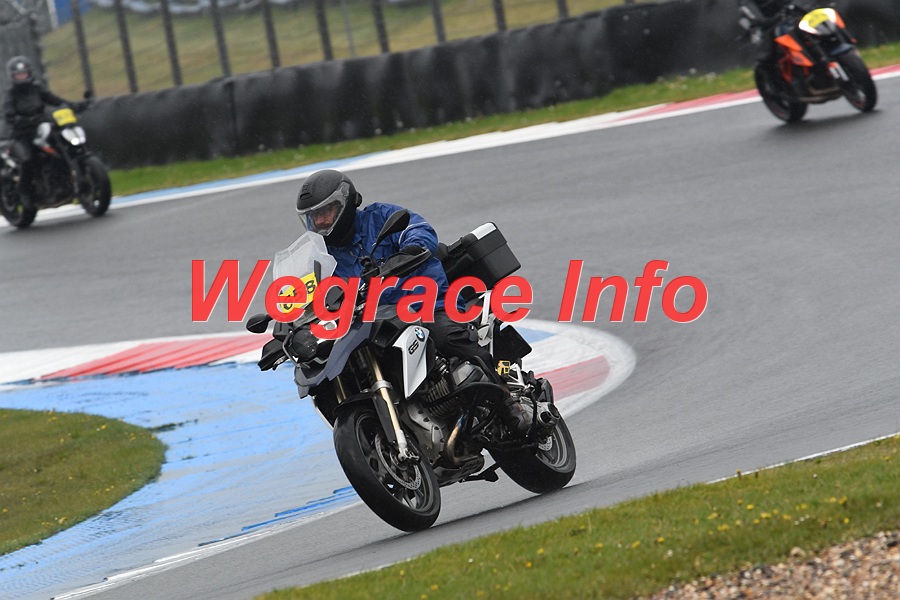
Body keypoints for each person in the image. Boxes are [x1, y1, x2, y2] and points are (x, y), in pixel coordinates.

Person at [295, 168, 533, 433]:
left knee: (447, 337)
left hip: (425, 304)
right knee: (337, 372)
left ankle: (507, 402)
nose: (320, 221)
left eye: (326, 212)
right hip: (372, 321)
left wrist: (409, 250)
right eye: (314, 216)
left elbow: (419, 229)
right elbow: (307, 292)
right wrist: (290, 321)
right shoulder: (321, 255)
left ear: (346, 203)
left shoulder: (381, 217)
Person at [2, 56, 87, 208]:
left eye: (24, 73)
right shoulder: (11, 94)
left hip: (40, 128)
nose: (22, 77)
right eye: (19, 75)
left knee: (59, 146)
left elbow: (55, 100)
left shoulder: (37, 89)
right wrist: (18, 120)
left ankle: (65, 181)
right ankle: (24, 192)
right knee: (27, 159)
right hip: (21, 134)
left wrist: (75, 106)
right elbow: (8, 114)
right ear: (13, 76)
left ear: (30, 73)